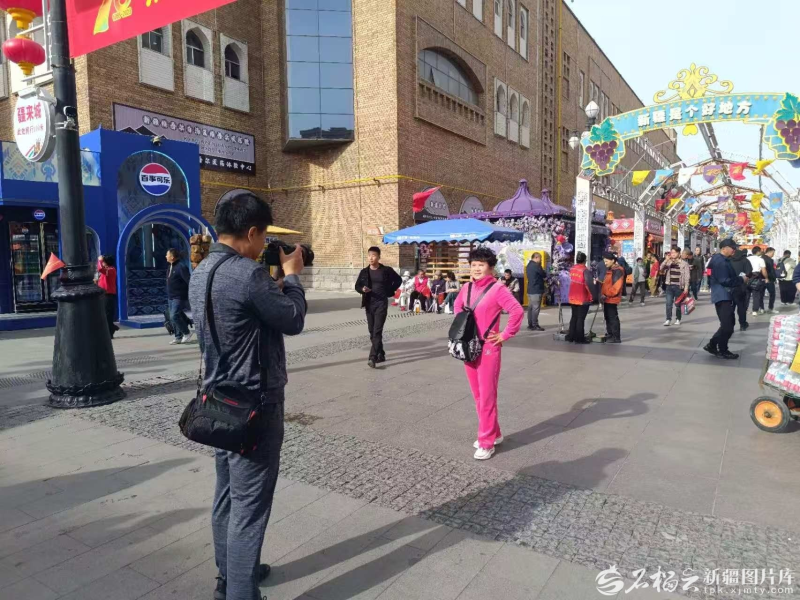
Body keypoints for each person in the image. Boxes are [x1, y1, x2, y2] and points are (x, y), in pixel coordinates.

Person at [187, 190, 307, 600]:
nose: (264, 245)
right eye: (264, 236)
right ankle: (240, 592)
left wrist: (273, 288)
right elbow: (293, 319)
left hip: (217, 401)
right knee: (249, 507)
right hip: (254, 405)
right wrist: (292, 276)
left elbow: (239, 316)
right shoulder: (248, 274)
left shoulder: (202, 269)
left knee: (226, 494)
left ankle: (230, 575)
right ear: (252, 232)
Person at [453, 247, 523, 461]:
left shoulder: (498, 289)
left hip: (489, 349)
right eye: (473, 265)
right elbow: (457, 307)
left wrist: (505, 334)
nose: (476, 269)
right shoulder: (466, 287)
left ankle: (486, 442)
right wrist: (463, 328)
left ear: (491, 268)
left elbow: (517, 310)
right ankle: (495, 433)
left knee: (487, 396)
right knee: (478, 395)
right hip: (469, 346)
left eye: (481, 265)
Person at [355, 246, 402, 368]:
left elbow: (398, 280)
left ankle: (373, 357)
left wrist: (389, 290)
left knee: (377, 331)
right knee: (372, 331)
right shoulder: (364, 272)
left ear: (379, 257)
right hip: (369, 304)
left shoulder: (386, 270)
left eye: (374, 255)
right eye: (369, 255)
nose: (371, 258)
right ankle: (381, 354)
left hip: (381, 303)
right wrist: (362, 289)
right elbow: (357, 286)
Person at [705, 239, 746, 359]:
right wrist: (741, 279)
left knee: (728, 323)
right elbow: (725, 280)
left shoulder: (719, 259)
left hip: (723, 295)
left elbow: (713, 276)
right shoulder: (721, 262)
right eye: (733, 248)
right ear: (724, 248)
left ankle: (713, 345)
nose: (734, 250)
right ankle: (722, 349)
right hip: (723, 296)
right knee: (727, 325)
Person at [566, 252, 594, 344]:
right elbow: (589, 285)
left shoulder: (572, 269)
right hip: (582, 297)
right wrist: (594, 295)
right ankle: (579, 338)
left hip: (572, 296)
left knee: (574, 316)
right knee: (581, 318)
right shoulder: (585, 270)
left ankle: (571, 336)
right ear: (585, 260)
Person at [166, 247, 193, 345]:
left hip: (179, 296)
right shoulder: (170, 266)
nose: (166, 256)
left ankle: (187, 333)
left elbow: (189, 280)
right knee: (173, 316)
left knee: (174, 315)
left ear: (172, 257)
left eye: (167, 255)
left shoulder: (181, 267)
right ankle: (178, 337)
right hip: (171, 296)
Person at [659, 246, 690, 326]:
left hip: (679, 287)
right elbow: (661, 268)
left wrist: (686, 287)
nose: (673, 254)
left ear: (679, 254)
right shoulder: (669, 262)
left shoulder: (684, 264)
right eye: (672, 252)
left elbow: (687, 277)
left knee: (677, 304)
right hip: (669, 286)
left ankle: (678, 319)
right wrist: (666, 260)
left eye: (674, 252)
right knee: (668, 303)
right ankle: (668, 319)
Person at [600, 252, 624, 343]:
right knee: (607, 317)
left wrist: (606, 294)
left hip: (612, 298)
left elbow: (616, 287)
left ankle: (616, 337)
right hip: (606, 297)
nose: (605, 263)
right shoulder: (611, 269)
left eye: (606, 261)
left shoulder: (618, 270)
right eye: (604, 261)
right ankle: (610, 334)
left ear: (613, 260)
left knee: (613, 317)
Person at [729, 247, 753, 331]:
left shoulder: (729, 260)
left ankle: (730, 325)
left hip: (730, 286)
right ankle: (743, 324)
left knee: (731, 308)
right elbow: (749, 272)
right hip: (741, 287)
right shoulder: (745, 261)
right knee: (741, 307)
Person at [97, 254, 119, 338]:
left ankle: (110, 331)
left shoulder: (111, 270)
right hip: (103, 295)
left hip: (108, 295)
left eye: (104, 262)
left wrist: (100, 260)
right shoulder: (106, 270)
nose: (102, 263)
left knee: (107, 314)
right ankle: (111, 327)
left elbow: (100, 269)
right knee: (105, 314)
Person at [526, 253, 546, 331]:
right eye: (540, 258)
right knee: (535, 308)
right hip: (536, 290)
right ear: (536, 257)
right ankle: (535, 325)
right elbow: (543, 274)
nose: (541, 260)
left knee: (530, 308)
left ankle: (530, 324)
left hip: (530, 289)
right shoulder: (536, 266)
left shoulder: (528, 265)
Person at [747, 246, 768, 316]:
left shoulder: (747, 258)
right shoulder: (760, 260)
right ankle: (755, 311)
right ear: (758, 252)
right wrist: (766, 278)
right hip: (756, 277)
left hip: (747, 277)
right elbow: (764, 271)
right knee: (756, 294)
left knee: (747, 294)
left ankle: (745, 309)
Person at [763, 247, 778, 314]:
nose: (773, 254)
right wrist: (774, 278)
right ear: (770, 252)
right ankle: (770, 308)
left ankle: (761, 308)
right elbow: (771, 271)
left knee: (761, 294)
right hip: (769, 279)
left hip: (761, 279)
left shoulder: (761, 258)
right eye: (773, 253)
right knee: (772, 294)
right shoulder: (769, 260)